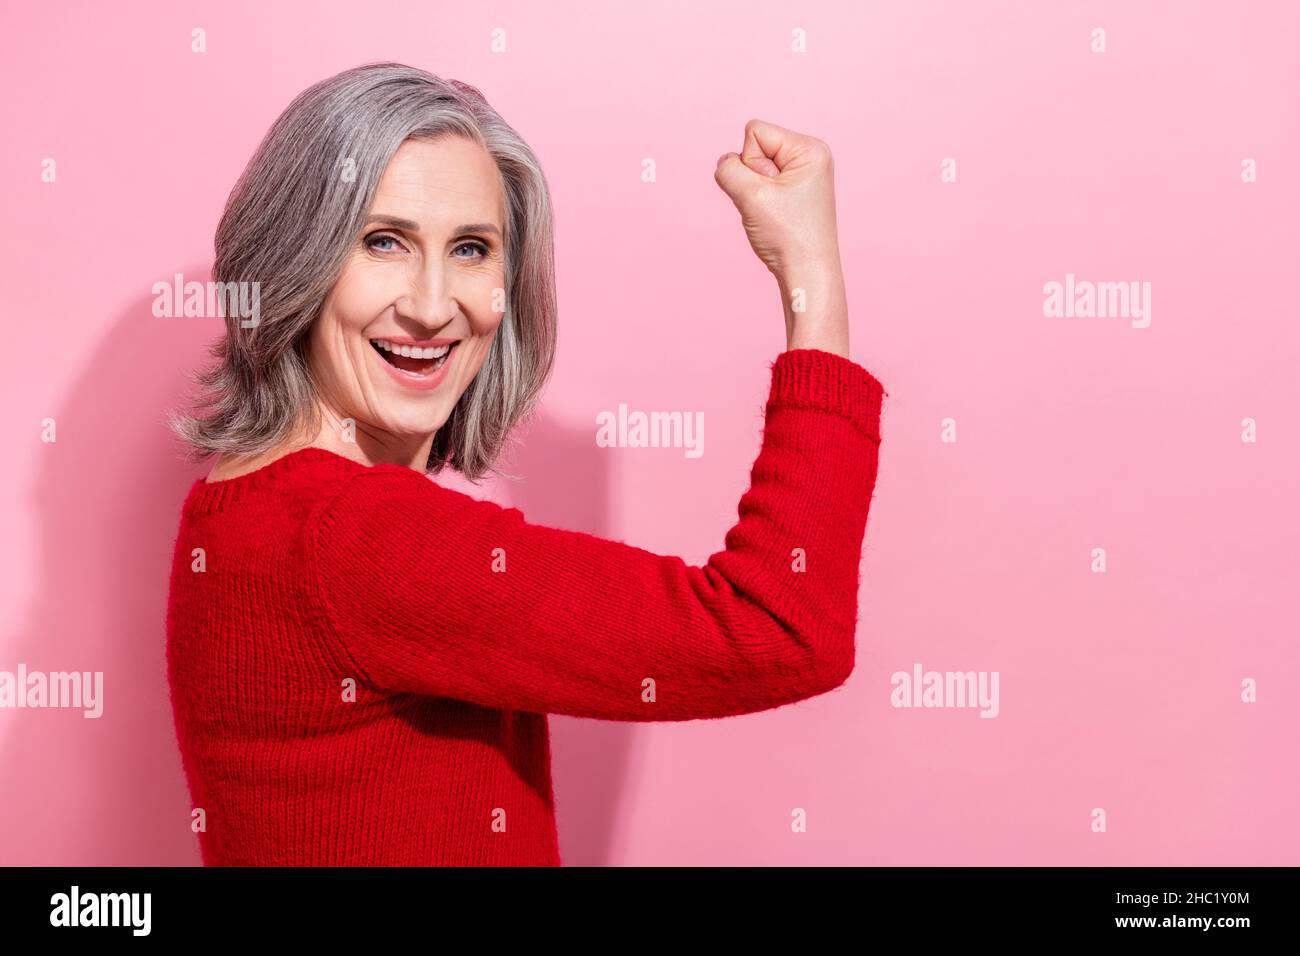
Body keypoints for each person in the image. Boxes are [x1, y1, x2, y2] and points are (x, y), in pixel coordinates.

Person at [165, 61, 887, 866]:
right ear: (293, 256)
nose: (434, 304)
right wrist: (812, 280)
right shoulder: (354, 538)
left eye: (471, 248)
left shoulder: (245, 512)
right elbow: (782, 626)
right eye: (382, 242)